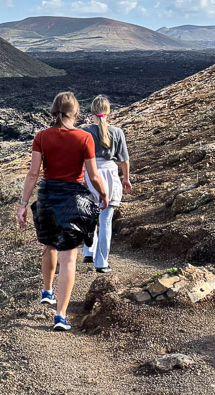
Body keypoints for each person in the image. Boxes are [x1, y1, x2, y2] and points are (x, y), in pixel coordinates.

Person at [17, 92, 109, 331]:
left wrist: (23, 204)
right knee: (69, 258)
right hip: (73, 198)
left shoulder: (42, 137)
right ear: (76, 113)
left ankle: (47, 291)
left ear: (53, 112)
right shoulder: (84, 137)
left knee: (49, 244)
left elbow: (33, 173)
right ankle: (60, 316)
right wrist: (103, 193)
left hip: (48, 196)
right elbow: (93, 174)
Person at [80, 95, 132, 274]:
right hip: (111, 175)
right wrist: (126, 179)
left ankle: (88, 250)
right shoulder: (117, 132)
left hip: (91, 173)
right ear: (109, 112)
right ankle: (102, 262)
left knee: (90, 216)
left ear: (92, 112)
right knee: (106, 220)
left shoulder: (84, 132)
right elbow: (124, 160)